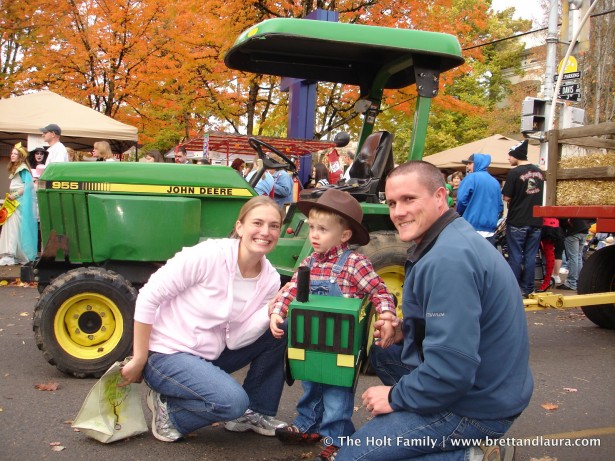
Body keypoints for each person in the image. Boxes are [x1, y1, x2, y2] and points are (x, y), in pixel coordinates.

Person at [338, 161, 533, 461]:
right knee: (384, 352)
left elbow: (452, 369)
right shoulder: (448, 237)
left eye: (409, 199)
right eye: (392, 202)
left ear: (440, 196)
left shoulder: (448, 260)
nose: (398, 212)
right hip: (489, 382)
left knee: (352, 456)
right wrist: (405, 329)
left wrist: (395, 397)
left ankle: (472, 455)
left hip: (477, 404)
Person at [119, 196, 288, 442]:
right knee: (232, 402)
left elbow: (237, 338)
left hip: (211, 354)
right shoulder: (209, 255)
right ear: (239, 227)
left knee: (280, 325)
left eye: (273, 226)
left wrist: (269, 312)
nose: (265, 232)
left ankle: (254, 412)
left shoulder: (270, 279)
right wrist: (139, 357)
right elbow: (148, 296)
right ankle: (171, 412)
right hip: (168, 354)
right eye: (257, 223)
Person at [269, 189, 397, 461]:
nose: (314, 235)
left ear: (344, 235)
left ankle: (338, 440)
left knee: (337, 394)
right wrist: (278, 312)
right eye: (312, 227)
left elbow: (380, 292)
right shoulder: (309, 262)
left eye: (323, 229)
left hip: (341, 344)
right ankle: (308, 425)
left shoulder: (354, 263)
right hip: (312, 339)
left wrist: (386, 315)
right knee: (311, 384)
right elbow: (291, 290)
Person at [501, 139, 545, 298]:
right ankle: (528, 288)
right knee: (531, 256)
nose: (508, 159)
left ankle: (513, 289)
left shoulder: (514, 173)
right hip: (536, 220)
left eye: (509, 155)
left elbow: (506, 197)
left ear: (516, 155)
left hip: (518, 220)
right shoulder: (539, 172)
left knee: (515, 255)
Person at [0, 143, 38, 266]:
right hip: (14, 202)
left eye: (15, 154)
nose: (12, 155)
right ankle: (12, 254)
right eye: (11, 153)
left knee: (13, 229)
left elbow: (29, 185)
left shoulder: (22, 169)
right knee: (12, 228)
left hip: (18, 203)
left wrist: (15, 195)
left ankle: (10, 255)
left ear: (21, 156)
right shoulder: (18, 168)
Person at [456, 154, 503, 245]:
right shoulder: (495, 182)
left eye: (470, 163)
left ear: (477, 163)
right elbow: (500, 206)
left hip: (470, 226)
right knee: (486, 258)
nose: (468, 166)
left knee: (468, 258)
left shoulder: (470, 178)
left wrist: (463, 213)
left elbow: (461, 200)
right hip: (490, 229)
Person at [557, 218, 591, 291]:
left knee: (573, 258)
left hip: (573, 231)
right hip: (584, 230)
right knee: (578, 257)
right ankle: (579, 280)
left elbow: (563, 220)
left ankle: (571, 283)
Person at [536, 217, 563, 292]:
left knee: (548, 254)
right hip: (550, 224)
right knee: (548, 254)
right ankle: (547, 280)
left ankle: (547, 281)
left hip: (546, 225)